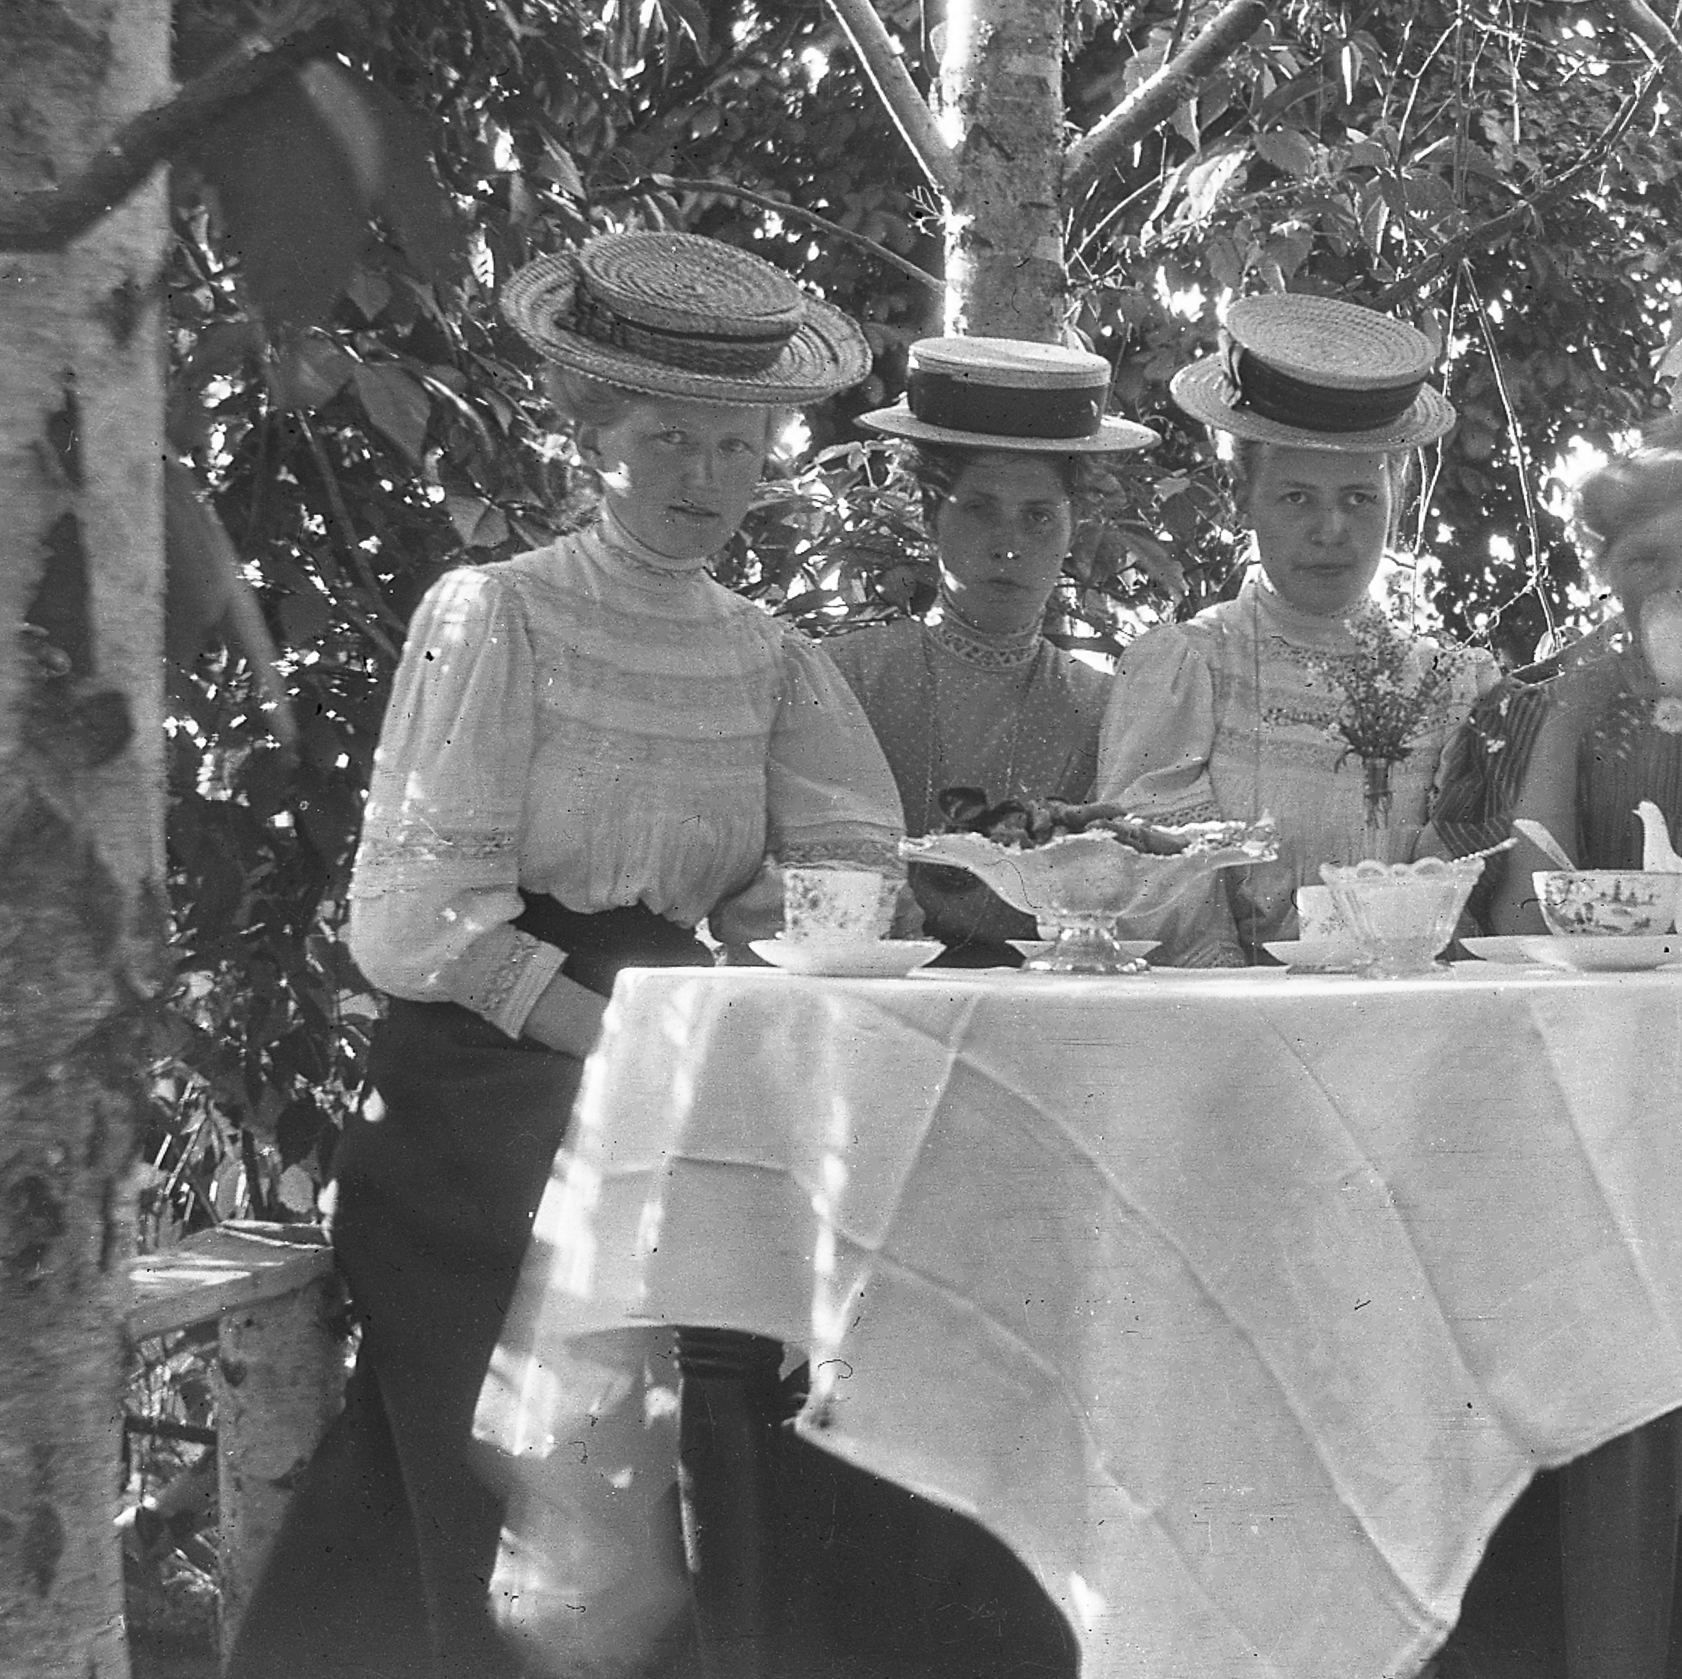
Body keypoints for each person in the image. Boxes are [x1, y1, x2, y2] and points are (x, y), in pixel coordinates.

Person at [227, 232, 905, 1679]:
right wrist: (620, 1037)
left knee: (787, 1283)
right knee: (567, 1361)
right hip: (486, 1076)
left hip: (670, 1043)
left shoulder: (769, 655)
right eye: (668, 438)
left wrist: (754, 938)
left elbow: (848, 860)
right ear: (589, 430)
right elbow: (412, 914)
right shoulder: (498, 615)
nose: (705, 476)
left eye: (736, 444)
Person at [1097, 293, 1493, 965]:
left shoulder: (1450, 686)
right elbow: (1156, 893)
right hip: (1227, 1019)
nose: (1330, 531)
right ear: (1244, 498)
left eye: (1359, 498)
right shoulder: (1190, 668)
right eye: (1296, 497)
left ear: (1396, 502)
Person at [826, 337, 1158, 965]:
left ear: (1074, 528)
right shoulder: (846, 675)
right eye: (979, 509)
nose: (1008, 545)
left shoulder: (1101, 708)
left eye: (1038, 517)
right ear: (930, 516)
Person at [1429, 394, 1682, 935]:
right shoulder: (1518, 715)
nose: (1677, 586)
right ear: (1607, 570)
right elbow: (1523, 928)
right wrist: (1564, 722)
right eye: (1648, 560)